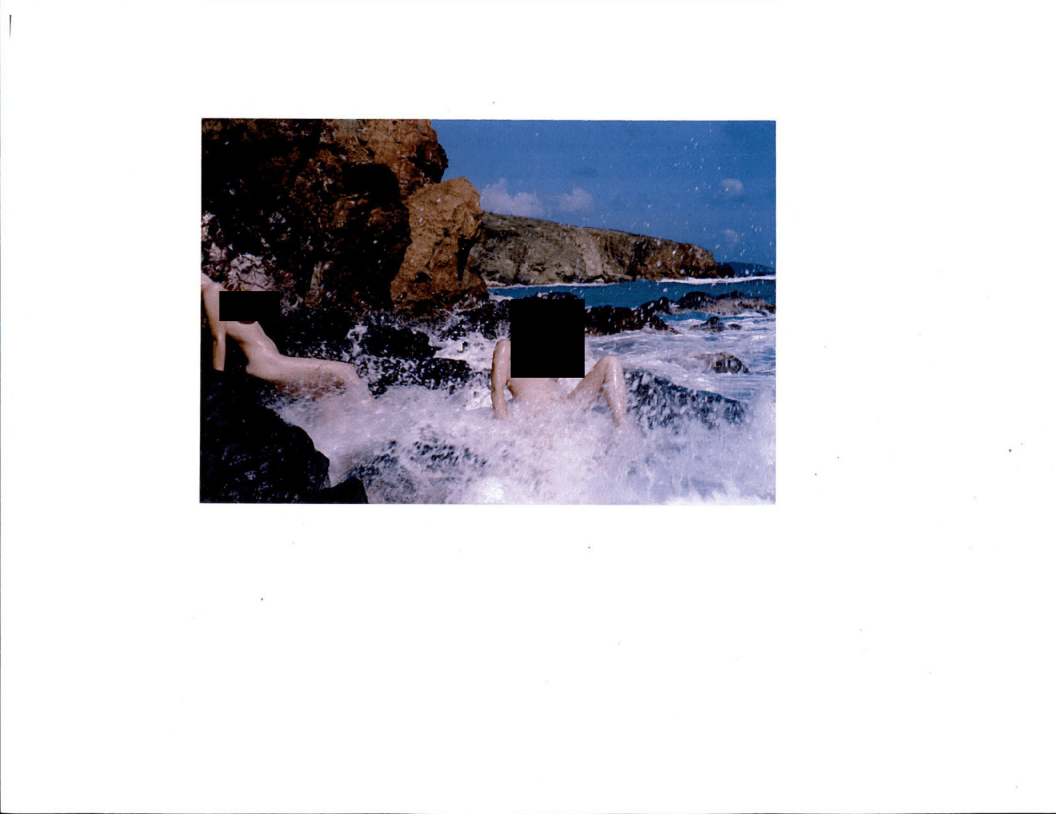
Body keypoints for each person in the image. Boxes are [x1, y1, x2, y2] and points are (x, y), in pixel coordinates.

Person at [201, 273, 372, 407]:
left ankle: (332, 438)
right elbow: (218, 339)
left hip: (271, 360)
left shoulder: (217, 290)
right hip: (268, 362)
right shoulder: (212, 290)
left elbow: (266, 311)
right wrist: (218, 383)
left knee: (328, 392)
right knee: (346, 371)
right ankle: (375, 415)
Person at [490, 338, 629, 427]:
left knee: (610, 362)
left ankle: (622, 429)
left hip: (567, 410)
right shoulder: (506, 346)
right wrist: (506, 431)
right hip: (536, 418)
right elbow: (497, 390)